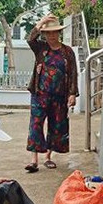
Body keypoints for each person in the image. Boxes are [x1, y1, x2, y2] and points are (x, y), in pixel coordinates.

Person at [25, 14, 78, 173]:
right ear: (44, 34)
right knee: (36, 124)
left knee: (56, 127)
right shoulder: (40, 48)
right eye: (48, 33)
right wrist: (41, 23)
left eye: (55, 32)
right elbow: (30, 39)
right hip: (39, 94)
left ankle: (48, 157)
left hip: (59, 96)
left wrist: (72, 93)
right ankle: (33, 160)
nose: (52, 36)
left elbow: (73, 73)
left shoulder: (67, 52)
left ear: (59, 33)